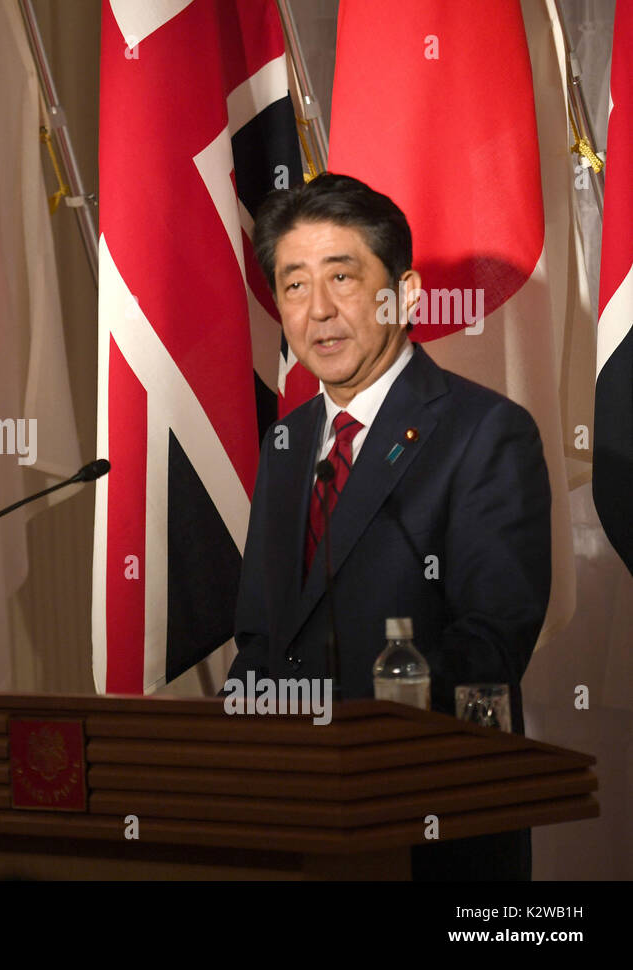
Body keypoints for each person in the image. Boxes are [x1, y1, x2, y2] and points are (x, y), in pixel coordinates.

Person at [230, 174, 551, 880]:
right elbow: (259, 641)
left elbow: (491, 647)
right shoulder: (286, 444)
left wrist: (342, 720)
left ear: (404, 295)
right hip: (291, 824)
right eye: (293, 286)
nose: (318, 311)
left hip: (427, 829)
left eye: (342, 278)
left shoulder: (485, 433)